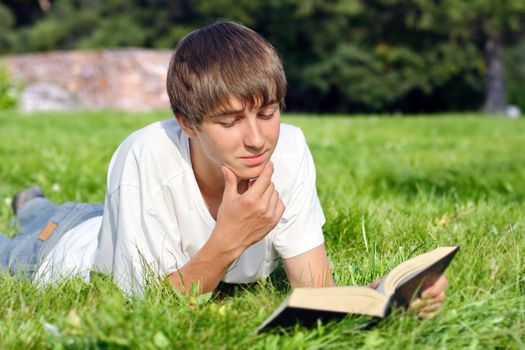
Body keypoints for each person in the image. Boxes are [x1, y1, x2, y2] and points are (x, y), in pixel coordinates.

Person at [0, 21, 446, 319]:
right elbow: (147, 311)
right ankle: (37, 209)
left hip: (116, 219)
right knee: (27, 240)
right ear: (188, 124)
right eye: (230, 122)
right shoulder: (143, 157)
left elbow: (314, 291)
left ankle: (34, 203)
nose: (257, 139)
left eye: (268, 113)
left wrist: (386, 296)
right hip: (65, 249)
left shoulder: (288, 149)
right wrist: (230, 238)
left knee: (56, 210)